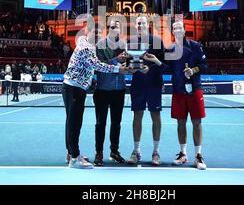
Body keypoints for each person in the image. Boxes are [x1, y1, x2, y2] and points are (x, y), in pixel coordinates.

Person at [63, 27, 131, 169]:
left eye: (99, 34)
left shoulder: (85, 43)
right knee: (74, 124)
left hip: (76, 87)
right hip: (75, 88)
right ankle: (75, 159)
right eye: (95, 33)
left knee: (72, 122)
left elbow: (90, 64)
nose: (97, 36)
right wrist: (118, 68)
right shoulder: (87, 48)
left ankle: (71, 153)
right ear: (87, 33)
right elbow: (97, 65)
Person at [144, 20, 208, 170]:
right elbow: (167, 68)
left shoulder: (195, 46)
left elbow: (205, 65)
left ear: (184, 31)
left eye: (179, 27)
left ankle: (198, 155)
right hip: (178, 90)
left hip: (194, 89)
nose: (177, 30)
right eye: (174, 28)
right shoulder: (170, 49)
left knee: (196, 122)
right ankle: (183, 154)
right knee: (180, 123)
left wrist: (194, 70)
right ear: (173, 32)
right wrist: (156, 61)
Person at [126, 15, 165, 166]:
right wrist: (129, 67)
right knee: (137, 117)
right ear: (135, 26)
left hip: (154, 84)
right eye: (138, 23)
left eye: (143, 23)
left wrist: (150, 68)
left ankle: (156, 152)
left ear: (147, 24)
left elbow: (163, 63)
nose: (140, 25)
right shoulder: (130, 42)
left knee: (156, 117)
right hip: (138, 84)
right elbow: (129, 64)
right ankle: (136, 151)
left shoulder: (157, 41)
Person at [93, 19, 128, 166]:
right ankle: (99, 153)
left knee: (116, 123)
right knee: (101, 123)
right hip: (102, 90)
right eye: (112, 27)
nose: (114, 29)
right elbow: (97, 66)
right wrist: (115, 60)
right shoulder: (100, 45)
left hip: (119, 90)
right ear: (108, 28)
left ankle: (114, 151)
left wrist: (131, 65)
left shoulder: (124, 45)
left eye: (117, 27)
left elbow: (127, 65)